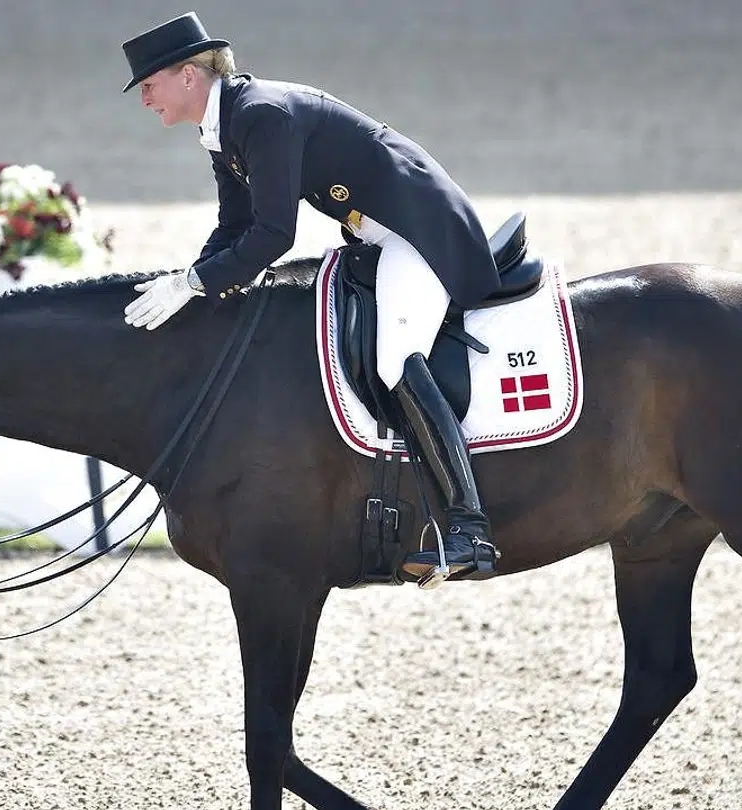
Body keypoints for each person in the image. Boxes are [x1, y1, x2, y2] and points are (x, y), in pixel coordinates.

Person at [120, 12, 500, 585]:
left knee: (395, 358)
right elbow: (235, 225)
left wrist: (196, 283)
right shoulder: (222, 128)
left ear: (189, 75)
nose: (145, 100)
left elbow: (275, 234)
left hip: (416, 230)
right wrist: (193, 281)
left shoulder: (260, 115)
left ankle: (470, 530)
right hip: (373, 234)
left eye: (149, 85)